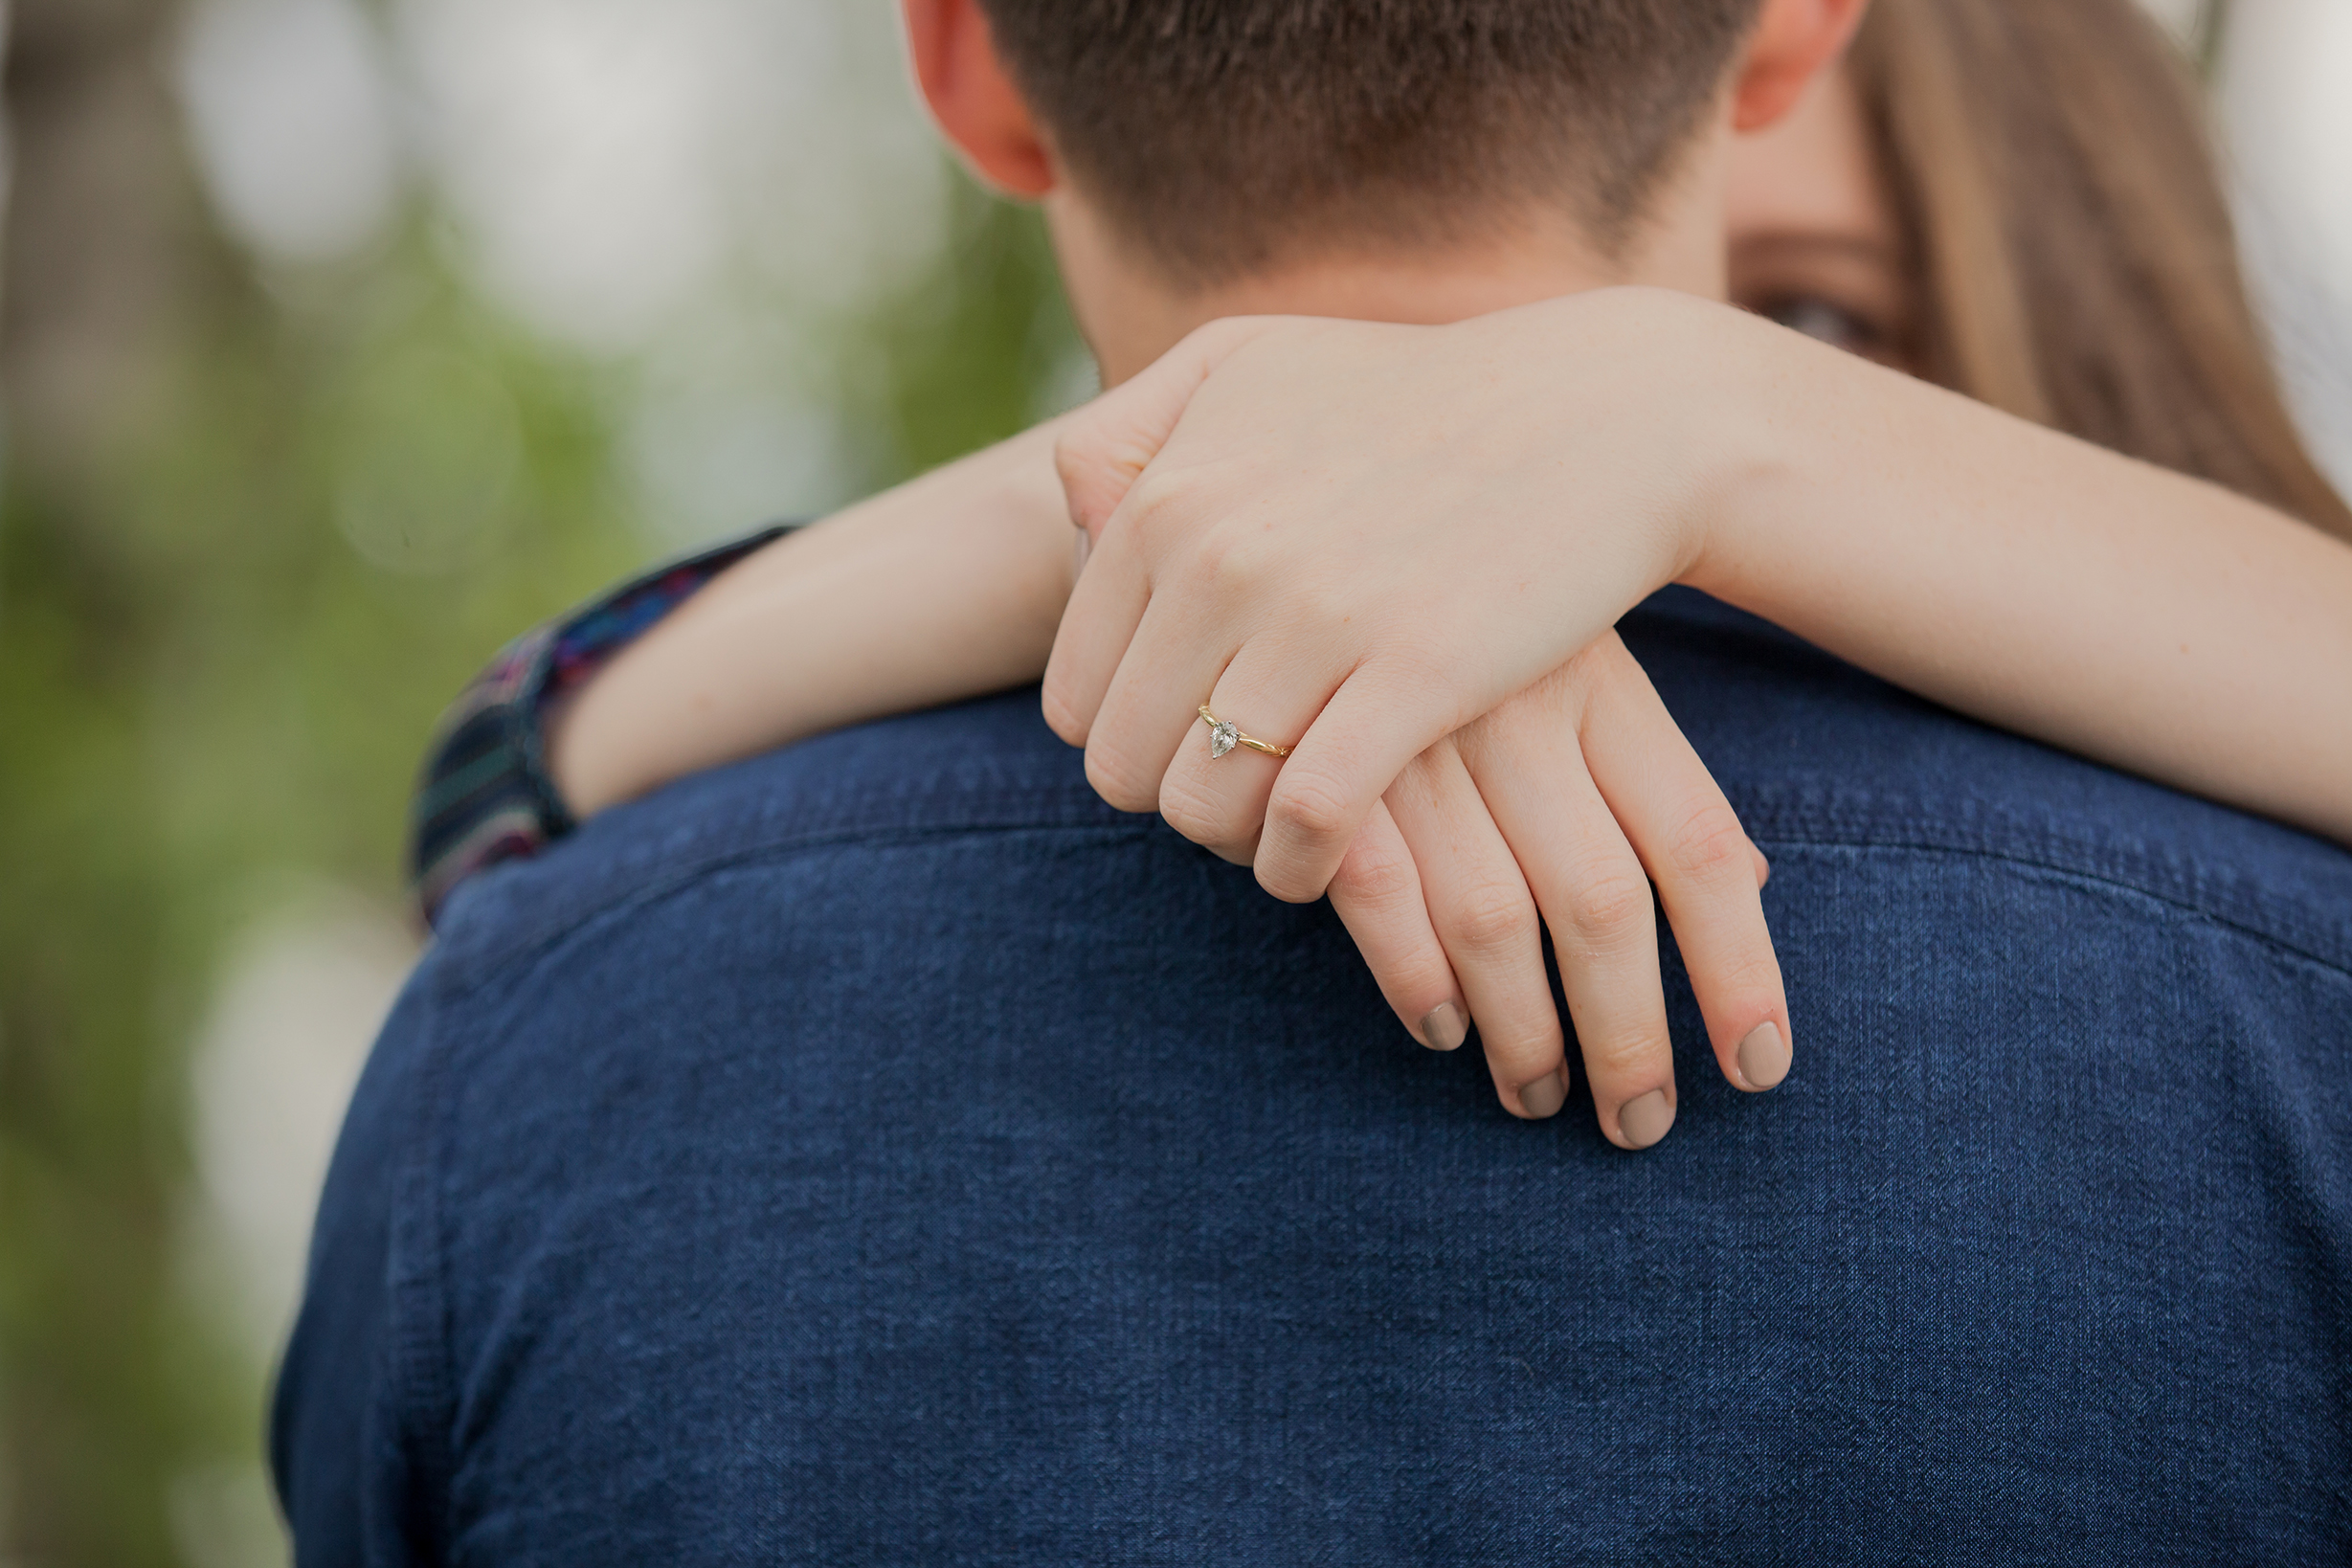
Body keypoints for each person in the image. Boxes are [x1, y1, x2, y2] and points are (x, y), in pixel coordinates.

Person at [276, 0, 2352, 1559]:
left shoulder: (527, 1058)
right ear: (1799, 22)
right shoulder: (2288, 1012)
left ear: (964, 67)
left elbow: (490, 806)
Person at [404, 0, 2351, 1148]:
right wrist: (1179, 479)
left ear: (962, 63)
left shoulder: (535, 1066)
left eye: (1818, 331)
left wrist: (1701, 420)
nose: (1500, 499)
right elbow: (490, 794)